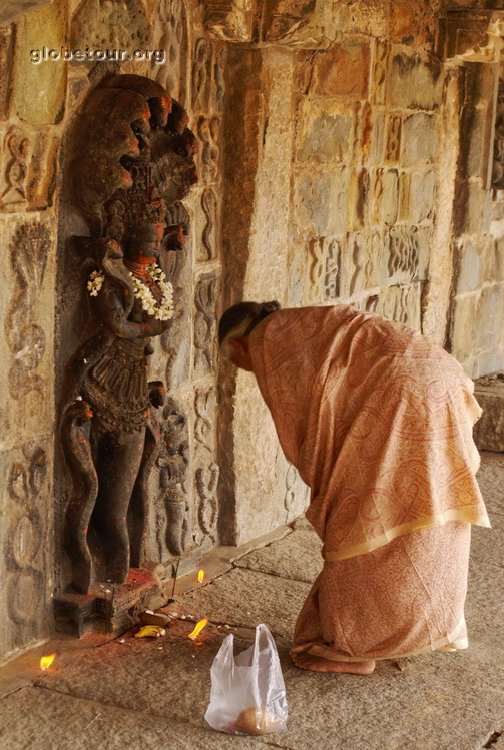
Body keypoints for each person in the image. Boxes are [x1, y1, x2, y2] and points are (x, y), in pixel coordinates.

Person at [218, 301, 491, 674]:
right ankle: (425, 626)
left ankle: (356, 645)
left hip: (401, 397)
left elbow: (303, 425)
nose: (246, 369)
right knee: (431, 506)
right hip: (439, 378)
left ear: (238, 346)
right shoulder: (308, 319)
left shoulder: (269, 336)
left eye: (237, 363)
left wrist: (328, 481)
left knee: (359, 516)